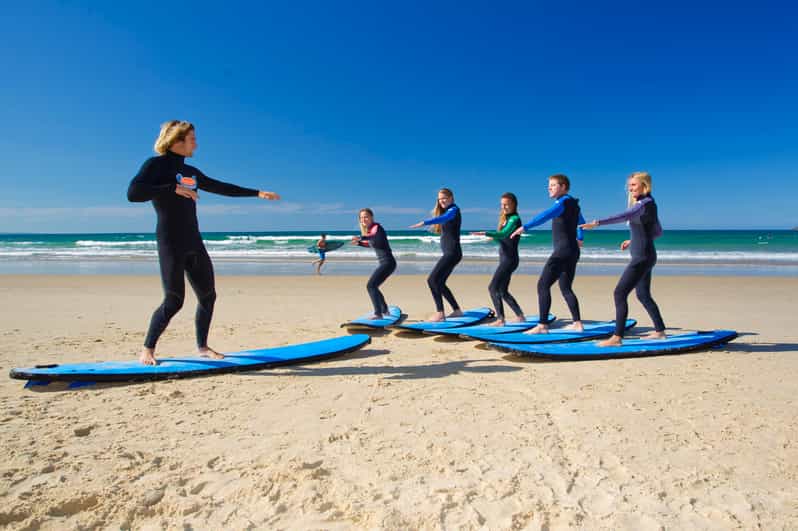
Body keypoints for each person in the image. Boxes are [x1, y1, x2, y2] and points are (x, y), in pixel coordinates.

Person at [127, 120, 280, 365]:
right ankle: (147, 349)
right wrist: (171, 188)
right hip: (170, 242)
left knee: (208, 296)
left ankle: (203, 347)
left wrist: (257, 193)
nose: (196, 143)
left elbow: (220, 187)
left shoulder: (191, 172)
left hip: (194, 241)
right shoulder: (155, 166)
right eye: (192, 139)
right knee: (174, 300)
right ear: (177, 142)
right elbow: (133, 194)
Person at [580, 171, 666, 346]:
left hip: (641, 257)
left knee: (619, 293)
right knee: (643, 295)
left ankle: (617, 337)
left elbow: (623, 216)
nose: (630, 188)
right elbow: (657, 232)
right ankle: (660, 332)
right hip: (646, 254)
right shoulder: (650, 204)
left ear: (645, 185)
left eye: (634, 185)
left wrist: (597, 223)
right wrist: (633, 239)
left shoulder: (644, 203)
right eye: (629, 185)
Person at [511, 174, 585, 334]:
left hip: (562, 251)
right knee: (565, 287)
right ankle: (577, 323)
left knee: (543, 285)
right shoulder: (574, 204)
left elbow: (545, 215)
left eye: (553, 185)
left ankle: (543, 325)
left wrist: (525, 227)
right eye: (549, 185)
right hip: (573, 251)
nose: (549, 188)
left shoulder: (562, 202)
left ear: (563, 187)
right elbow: (582, 222)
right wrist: (580, 237)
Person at [471, 193, 525, 326]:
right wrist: (494, 238)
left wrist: (486, 233)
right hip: (506, 259)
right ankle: (520, 316)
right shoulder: (506, 219)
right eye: (502, 204)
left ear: (514, 204)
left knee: (492, 288)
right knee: (502, 290)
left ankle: (501, 319)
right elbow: (504, 239)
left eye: (506, 204)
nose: (504, 207)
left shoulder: (515, 219)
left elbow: (504, 234)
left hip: (509, 260)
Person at [410, 188, 463, 322]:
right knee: (440, 282)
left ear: (451, 198)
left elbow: (446, 217)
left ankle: (440, 313)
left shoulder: (454, 210)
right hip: (452, 253)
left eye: (444, 198)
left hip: (452, 253)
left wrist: (425, 222)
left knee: (432, 280)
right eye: (439, 199)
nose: (441, 201)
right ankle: (457, 310)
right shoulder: (446, 211)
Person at [352, 209, 396, 319]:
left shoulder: (377, 228)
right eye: (361, 218)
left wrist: (361, 237)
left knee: (371, 286)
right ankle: (384, 310)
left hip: (388, 263)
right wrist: (359, 243)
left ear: (372, 217)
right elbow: (373, 243)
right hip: (386, 263)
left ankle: (378, 313)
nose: (363, 219)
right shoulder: (370, 231)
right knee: (374, 286)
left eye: (366, 216)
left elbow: (375, 237)